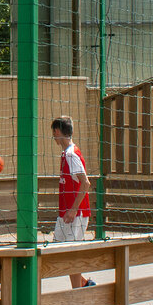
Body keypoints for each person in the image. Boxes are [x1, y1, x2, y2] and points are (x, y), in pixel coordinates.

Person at [51, 115, 95, 288]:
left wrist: (73, 209)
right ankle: (84, 284)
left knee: (71, 254)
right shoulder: (66, 153)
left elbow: (86, 183)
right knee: (59, 252)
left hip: (75, 214)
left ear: (57, 131)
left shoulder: (71, 155)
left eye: (53, 132)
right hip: (66, 214)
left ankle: (78, 295)